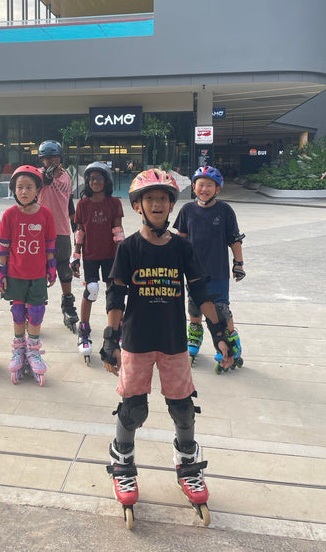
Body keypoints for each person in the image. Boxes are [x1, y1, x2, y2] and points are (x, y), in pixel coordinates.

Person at [101, 169, 234, 525]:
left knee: (183, 409)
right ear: (138, 206)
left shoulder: (181, 248)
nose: (157, 204)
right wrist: (109, 338)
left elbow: (201, 292)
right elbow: (116, 295)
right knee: (133, 409)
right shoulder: (128, 248)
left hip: (174, 341)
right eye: (150, 199)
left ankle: (187, 464)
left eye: (163, 199)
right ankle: (123, 463)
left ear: (171, 205)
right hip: (137, 340)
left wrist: (219, 332)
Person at [174, 165, 245, 373]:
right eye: (200, 185)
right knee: (194, 308)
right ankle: (194, 339)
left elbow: (234, 240)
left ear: (217, 189)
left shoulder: (224, 211)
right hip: (193, 272)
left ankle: (232, 343)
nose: (204, 189)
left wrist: (238, 264)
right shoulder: (187, 210)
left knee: (221, 309)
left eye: (209, 185)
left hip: (218, 271)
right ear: (194, 187)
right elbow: (181, 239)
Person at [0, 165, 57, 386]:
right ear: (14, 189)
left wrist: (52, 267)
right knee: (18, 309)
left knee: (37, 310)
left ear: (37, 190)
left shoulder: (45, 214)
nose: (24, 191)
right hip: (15, 273)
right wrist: (0, 270)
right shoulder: (10, 215)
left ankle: (33, 349)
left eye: (29, 187)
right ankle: (18, 348)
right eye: (19, 187)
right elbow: (2, 246)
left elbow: (50, 244)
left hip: (38, 273)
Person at [70, 162, 124, 363]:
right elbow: (80, 232)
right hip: (91, 255)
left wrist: (122, 256)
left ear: (106, 181)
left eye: (99, 178)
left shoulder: (114, 203)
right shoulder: (82, 205)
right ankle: (84, 329)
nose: (95, 182)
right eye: (91, 179)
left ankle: (117, 327)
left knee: (114, 291)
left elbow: (117, 231)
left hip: (110, 255)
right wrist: (75, 257)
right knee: (91, 288)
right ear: (87, 182)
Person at [37, 140, 78, 331]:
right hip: (39, 231)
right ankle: (33, 305)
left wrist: (76, 228)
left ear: (60, 157)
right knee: (37, 269)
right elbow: (43, 181)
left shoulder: (67, 177)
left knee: (64, 269)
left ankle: (68, 306)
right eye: (46, 158)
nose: (50, 161)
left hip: (61, 230)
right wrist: (48, 173)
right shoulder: (38, 174)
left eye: (54, 157)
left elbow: (69, 203)